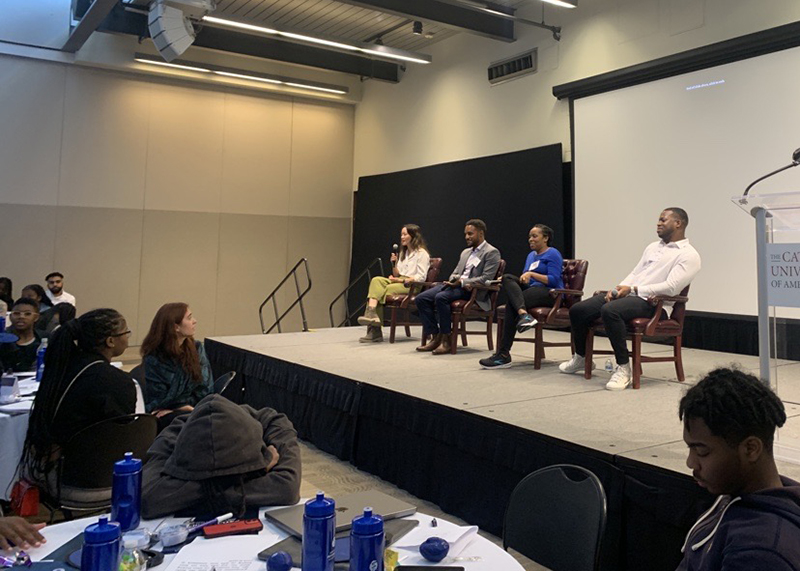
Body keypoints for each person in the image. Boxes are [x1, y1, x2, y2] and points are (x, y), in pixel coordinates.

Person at [559, 208, 701, 391]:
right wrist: (617, 289)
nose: (658, 223)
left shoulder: (689, 254)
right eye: (658, 219)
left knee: (610, 311)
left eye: (663, 220)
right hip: (632, 296)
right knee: (578, 310)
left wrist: (633, 289)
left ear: (678, 223)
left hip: (654, 304)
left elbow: (671, 287)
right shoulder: (652, 247)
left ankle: (624, 367)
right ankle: (581, 357)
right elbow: (636, 273)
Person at [676, 367, 800, 570]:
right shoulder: (734, 498)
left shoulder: (762, 553)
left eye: (702, 452)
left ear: (750, 449)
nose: (691, 463)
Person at [19, 308, 136, 492]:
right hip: (89, 478)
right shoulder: (116, 381)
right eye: (126, 333)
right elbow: (122, 435)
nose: (128, 338)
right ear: (110, 341)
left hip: (57, 468)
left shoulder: (62, 367)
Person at [141, 394, 301, 518]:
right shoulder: (172, 438)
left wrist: (203, 489)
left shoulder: (277, 427)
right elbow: (149, 500)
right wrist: (245, 477)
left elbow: (287, 488)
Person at [479, 224, 563, 369]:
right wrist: (524, 278)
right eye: (529, 236)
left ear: (546, 238)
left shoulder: (553, 253)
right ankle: (523, 315)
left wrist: (532, 275)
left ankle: (503, 355)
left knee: (513, 303)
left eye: (534, 236)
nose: (530, 239)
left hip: (549, 293)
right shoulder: (530, 256)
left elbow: (554, 279)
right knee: (507, 278)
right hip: (531, 290)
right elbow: (525, 277)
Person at [415, 219, 501, 355]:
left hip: (472, 291)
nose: (467, 237)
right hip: (455, 286)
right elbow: (455, 272)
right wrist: (453, 280)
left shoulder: (491, 252)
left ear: (481, 233)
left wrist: (463, 282)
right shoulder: (465, 252)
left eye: (470, 234)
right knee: (421, 298)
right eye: (465, 234)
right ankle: (435, 336)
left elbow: (486, 278)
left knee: (441, 297)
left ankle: (446, 340)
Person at [140, 303, 213, 426]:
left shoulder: (197, 348)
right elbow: (158, 400)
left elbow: (206, 390)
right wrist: (182, 407)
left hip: (194, 409)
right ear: (176, 327)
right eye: (189, 318)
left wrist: (183, 406)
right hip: (166, 414)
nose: (195, 321)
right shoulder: (154, 357)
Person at [357, 224, 431, 343]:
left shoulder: (422, 254)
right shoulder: (403, 253)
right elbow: (397, 274)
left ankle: (374, 331)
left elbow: (421, 277)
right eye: (401, 234)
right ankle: (371, 312)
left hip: (411, 285)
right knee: (376, 280)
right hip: (399, 280)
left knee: (380, 292)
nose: (402, 237)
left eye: (405, 234)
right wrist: (394, 264)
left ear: (413, 236)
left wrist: (400, 280)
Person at [0, 298, 41, 372]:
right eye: (16, 313)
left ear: (36, 317)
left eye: (27, 314)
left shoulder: (44, 340)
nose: (21, 317)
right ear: (10, 316)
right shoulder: (2, 340)